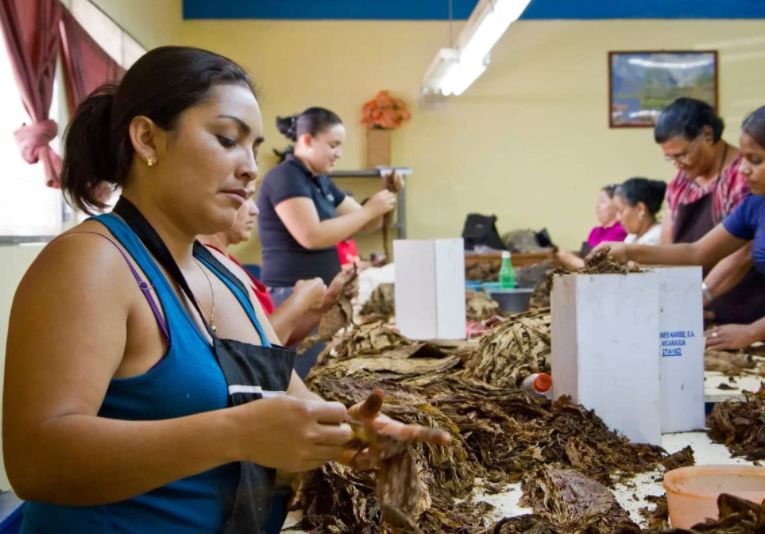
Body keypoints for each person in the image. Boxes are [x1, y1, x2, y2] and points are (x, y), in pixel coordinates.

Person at [4, 46, 449, 534]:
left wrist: (345, 431)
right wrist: (234, 434)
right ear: (147, 138)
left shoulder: (226, 274)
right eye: (227, 139)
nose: (250, 168)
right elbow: (37, 463)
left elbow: (291, 402)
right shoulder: (92, 263)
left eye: (254, 147)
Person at [601, 102, 765, 368]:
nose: (744, 169)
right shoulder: (758, 204)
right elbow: (696, 251)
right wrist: (627, 250)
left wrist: (753, 331)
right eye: (744, 157)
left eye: (755, 160)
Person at [257, 107, 402, 307]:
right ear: (307, 140)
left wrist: (385, 195)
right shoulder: (285, 176)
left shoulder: (321, 181)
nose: (339, 154)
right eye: (333, 145)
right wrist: (371, 209)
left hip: (321, 291)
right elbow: (311, 236)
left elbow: (366, 225)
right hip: (290, 293)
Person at [655, 97, 765, 323]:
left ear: (707, 135)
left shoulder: (744, 176)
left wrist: (702, 295)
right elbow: (667, 244)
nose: (678, 164)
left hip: (743, 305)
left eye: (681, 154)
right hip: (692, 305)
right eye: (670, 158)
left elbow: (745, 251)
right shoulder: (680, 183)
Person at [198, 180, 353, 346]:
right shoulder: (208, 272)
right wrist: (300, 300)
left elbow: (278, 339)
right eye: (245, 198)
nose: (255, 210)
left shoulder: (230, 263)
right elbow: (257, 349)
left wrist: (327, 302)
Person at [556, 184, 626, 269]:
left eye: (602, 201)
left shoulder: (621, 230)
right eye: (598, 202)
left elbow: (604, 270)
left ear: (616, 204)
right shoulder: (595, 231)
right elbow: (586, 260)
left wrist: (571, 260)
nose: (597, 206)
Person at [613, 177, 666, 245]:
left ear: (640, 209)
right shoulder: (631, 237)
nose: (618, 218)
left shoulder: (657, 238)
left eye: (621, 211)